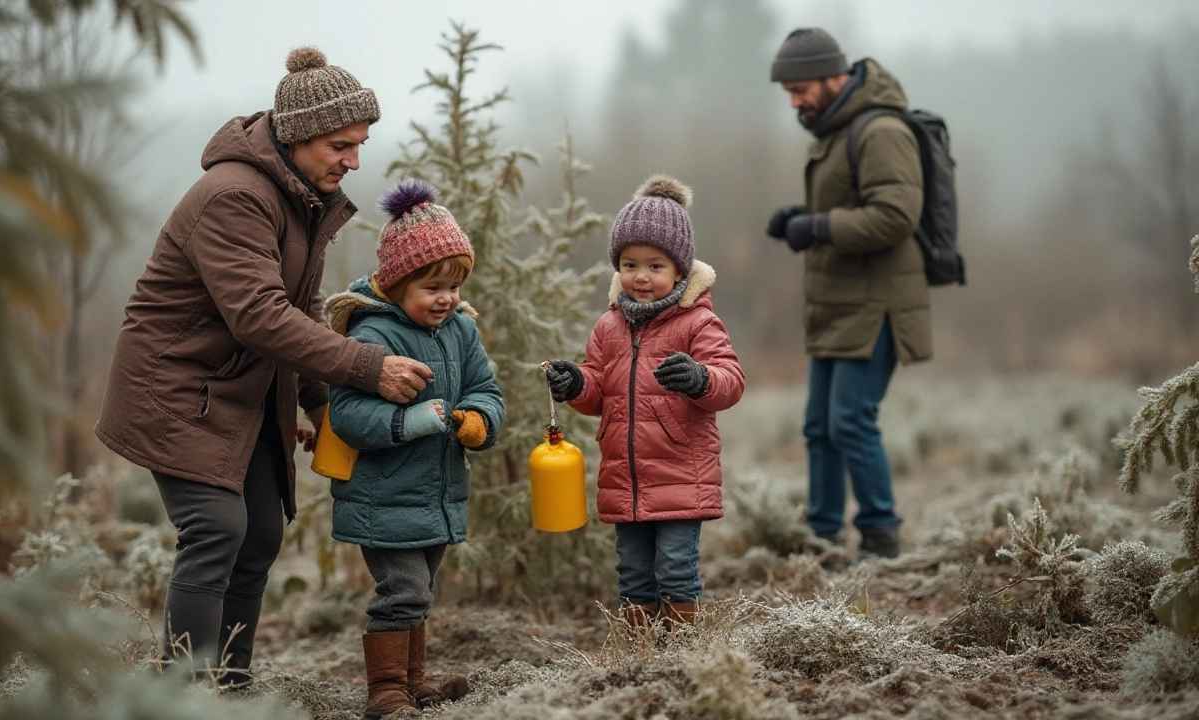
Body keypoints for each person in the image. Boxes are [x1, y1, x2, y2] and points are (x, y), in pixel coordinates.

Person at [94, 47, 434, 686]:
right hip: (176, 388)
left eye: (361, 144)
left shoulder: (301, 194)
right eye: (341, 144)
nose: (354, 160)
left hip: (241, 391)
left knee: (258, 540)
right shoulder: (234, 196)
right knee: (218, 528)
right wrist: (367, 368)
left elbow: (302, 305)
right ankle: (185, 694)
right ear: (299, 135)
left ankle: (231, 684)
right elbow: (260, 315)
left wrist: (316, 402)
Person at [323, 179, 504, 718]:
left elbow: (485, 389)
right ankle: (385, 691)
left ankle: (413, 681)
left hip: (438, 493)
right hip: (384, 496)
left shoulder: (461, 331)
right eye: (432, 286)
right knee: (401, 591)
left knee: (419, 590)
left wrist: (479, 421)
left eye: (454, 284)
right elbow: (349, 416)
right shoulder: (372, 336)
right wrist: (410, 421)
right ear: (398, 283)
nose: (446, 298)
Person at [546, 175, 744, 631]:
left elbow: (730, 381)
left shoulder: (698, 322)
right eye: (630, 265)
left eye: (655, 266)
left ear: (679, 270)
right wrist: (576, 384)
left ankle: (679, 650)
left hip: (680, 475)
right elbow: (598, 389)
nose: (641, 276)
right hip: (624, 478)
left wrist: (699, 379)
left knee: (675, 569)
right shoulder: (608, 327)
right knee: (633, 574)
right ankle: (639, 650)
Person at [765, 28, 930, 558]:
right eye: (787, 92)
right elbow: (853, 205)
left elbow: (896, 215)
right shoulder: (837, 129)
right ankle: (823, 535)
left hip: (876, 303)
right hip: (837, 304)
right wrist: (803, 218)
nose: (794, 101)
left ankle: (881, 536)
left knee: (851, 422)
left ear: (835, 75)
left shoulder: (880, 130)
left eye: (800, 88)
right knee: (819, 427)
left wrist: (816, 228)